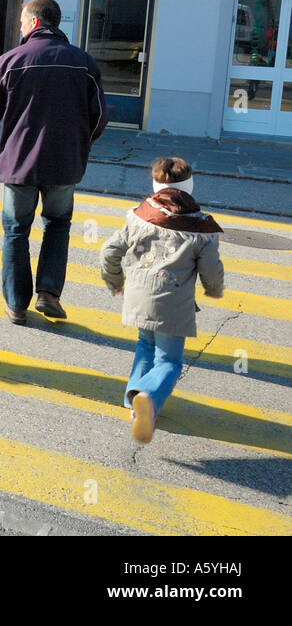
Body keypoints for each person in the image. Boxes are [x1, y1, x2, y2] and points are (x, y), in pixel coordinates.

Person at [0, 0, 107, 325]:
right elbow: (100, 116)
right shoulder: (84, 63)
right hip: (65, 163)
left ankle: (17, 304)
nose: (19, 27)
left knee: (16, 230)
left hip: (19, 164)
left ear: (34, 22)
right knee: (58, 224)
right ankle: (48, 293)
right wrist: (79, 144)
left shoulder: (9, 61)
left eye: (21, 21)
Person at [100, 157, 224, 443]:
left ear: (156, 184)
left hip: (138, 297)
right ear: (190, 186)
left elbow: (109, 251)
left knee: (146, 344)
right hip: (172, 303)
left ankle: (134, 401)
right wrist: (214, 289)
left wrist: (116, 282)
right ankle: (149, 397)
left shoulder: (138, 215)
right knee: (169, 361)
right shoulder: (201, 228)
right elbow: (211, 270)